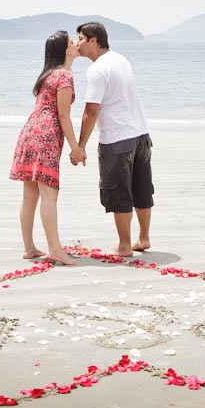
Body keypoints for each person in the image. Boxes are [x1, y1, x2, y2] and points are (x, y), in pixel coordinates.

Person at [72, 21, 153, 257]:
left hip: (117, 140)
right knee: (142, 189)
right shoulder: (120, 59)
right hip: (141, 135)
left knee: (119, 193)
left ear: (93, 40)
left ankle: (125, 245)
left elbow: (91, 111)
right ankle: (144, 238)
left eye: (81, 39)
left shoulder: (96, 70)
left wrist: (80, 146)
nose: (78, 44)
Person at [10, 30, 84, 265]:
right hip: (46, 136)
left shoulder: (48, 75)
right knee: (49, 195)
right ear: (65, 49)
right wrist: (76, 148)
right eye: (73, 42)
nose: (77, 45)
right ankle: (55, 249)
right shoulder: (64, 77)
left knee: (30, 194)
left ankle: (30, 247)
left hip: (29, 132)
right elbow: (63, 115)